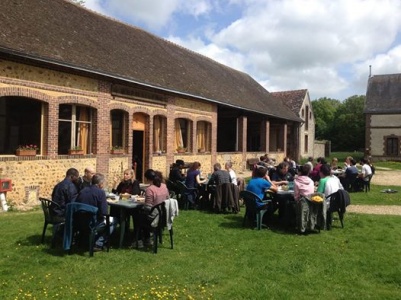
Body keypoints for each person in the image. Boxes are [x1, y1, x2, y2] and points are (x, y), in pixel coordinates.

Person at [76, 173, 116, 251]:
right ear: (100, 184)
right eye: (104, 183)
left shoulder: (83, 190)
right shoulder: (100, 193)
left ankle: (86, 240)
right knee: (114, 220)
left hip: (79, 220)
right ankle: (98, 243)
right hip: (92, 222)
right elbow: (104, 212)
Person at [135, 169, 169, 248]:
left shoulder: (150, 189)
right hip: (164, 215)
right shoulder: (164, 186)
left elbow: (147, 208)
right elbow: (167, 199)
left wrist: (142, 204)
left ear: (146, 179)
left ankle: (141, 240)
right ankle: (147, 238)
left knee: (137, 216)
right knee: (142, 215)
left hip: (154, 217)